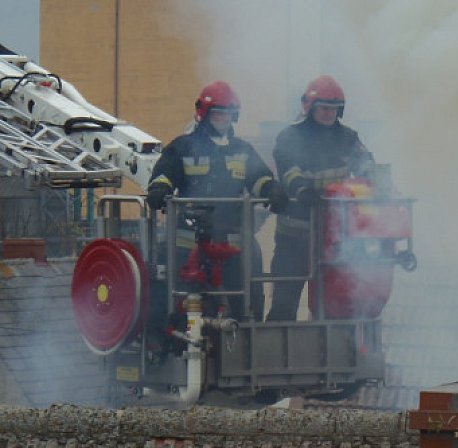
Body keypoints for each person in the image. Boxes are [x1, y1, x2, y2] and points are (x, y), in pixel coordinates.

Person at [146, 80, 287, 320]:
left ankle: (243, 332)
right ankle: (177, 334)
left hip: (232, 241)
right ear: (204, 114)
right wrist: (159, 189)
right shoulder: (183, 147)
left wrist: (272, 189)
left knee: (243, 297)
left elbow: (259, 177)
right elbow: (164, 174)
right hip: (189, 243)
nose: (223, 119)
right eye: (218, 114)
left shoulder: (242, 150)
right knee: (183, 301)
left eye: (228, 114)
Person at [266, 75, 377, 321]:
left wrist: (378, 184)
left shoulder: (348, 138)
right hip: (295, 235)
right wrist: (303, 191)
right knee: (285, 302)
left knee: (336, 304)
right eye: (324, 108)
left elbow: (367, 166)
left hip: (335, 237)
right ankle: (278, 342)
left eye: (333, 109)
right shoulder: (290, 137)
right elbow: (288, 170)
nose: (329, 114)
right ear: (310, 107)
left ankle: (333, 344)